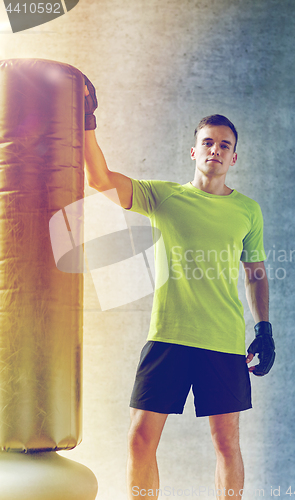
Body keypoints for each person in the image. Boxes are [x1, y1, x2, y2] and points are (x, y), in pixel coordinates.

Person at [83, 75, 275, 500]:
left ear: (234, 157)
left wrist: (264, 329)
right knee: (138, 439)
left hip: (223, 342)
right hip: (168, 336)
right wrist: (87, 122)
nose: (215, 150)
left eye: (225, 145)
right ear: (194, 151)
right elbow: (99, 179)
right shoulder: (163, 197)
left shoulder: (247, 210)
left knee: (226, 445)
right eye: (208, 142)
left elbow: (255, 271)